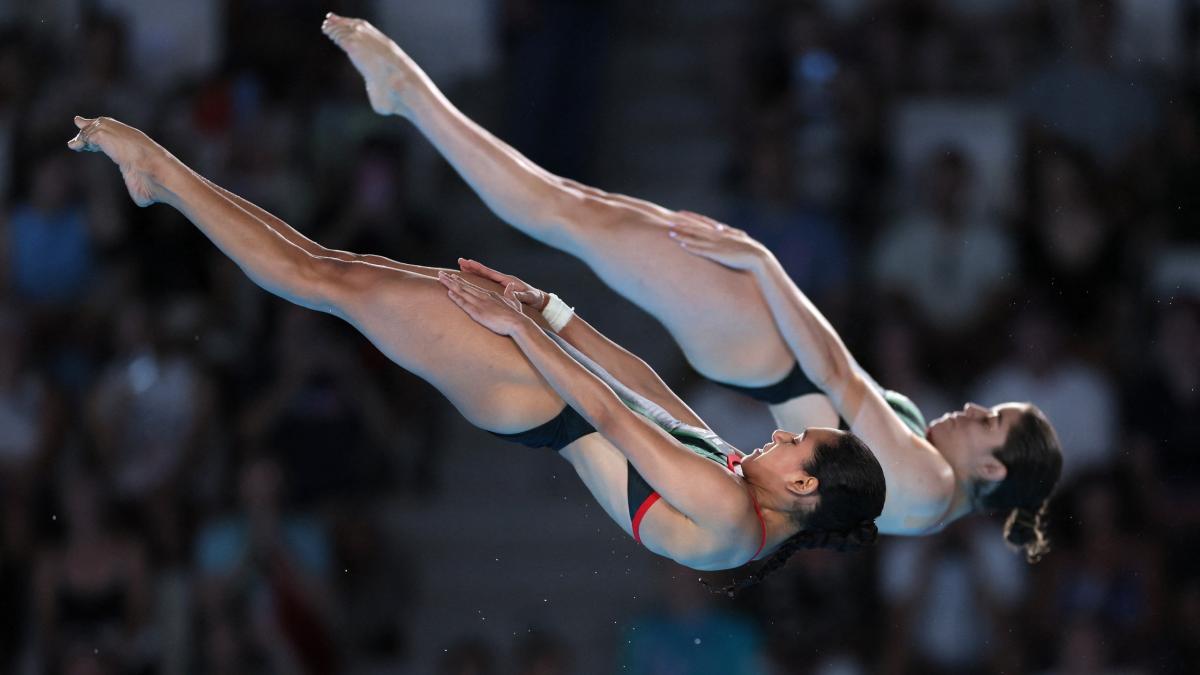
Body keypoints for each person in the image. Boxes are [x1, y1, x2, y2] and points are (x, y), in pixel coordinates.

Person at [321, 13, 1062, 560]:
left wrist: (765, 266)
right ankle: (410, 98)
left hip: (764, 346)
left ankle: (409, 96)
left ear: (991, 468)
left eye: (988, 419)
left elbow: (836, 372)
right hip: (762, 349)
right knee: (576, 209)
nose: (971, 407)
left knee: (565, 213)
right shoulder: (927, 492)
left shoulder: (931, 487)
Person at [65, 116, 884, 593]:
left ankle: (159, 173)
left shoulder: (729, 512)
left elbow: (604, 411)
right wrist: (546, 308)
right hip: (546, 377)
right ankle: (163, 177)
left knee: (328, 279)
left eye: (795, 442)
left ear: (806, 485)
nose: (781, 434)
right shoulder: (739, 485)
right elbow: (642, 385)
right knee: (343, 273)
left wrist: (519, 328)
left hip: (536, 397)